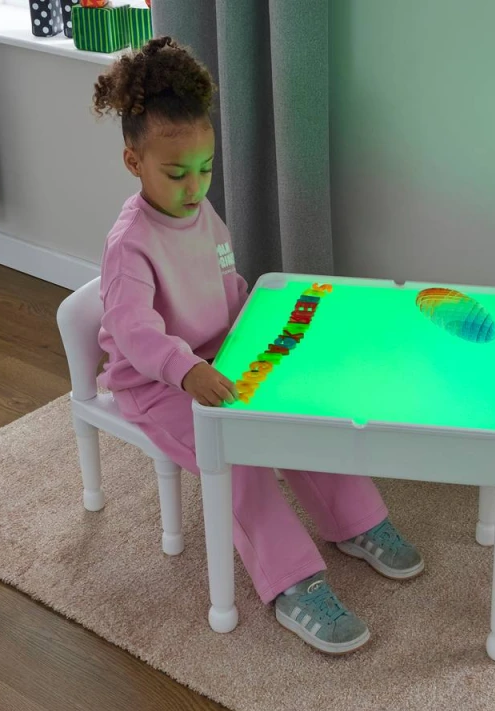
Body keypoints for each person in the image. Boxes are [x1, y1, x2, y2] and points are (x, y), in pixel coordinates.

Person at [93, 37, 423, 654]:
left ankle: (354, 521)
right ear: (133, 162)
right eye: (176, 173)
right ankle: (292, 582)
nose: (195, 188)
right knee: (240, 456)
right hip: (156, 383)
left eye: (205, 169)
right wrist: (185, 370)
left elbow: (227, 282)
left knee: (300, 412)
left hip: (220, 356)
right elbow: (136, 332)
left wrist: (259, 322)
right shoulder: (129, 245)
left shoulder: (203, 215)